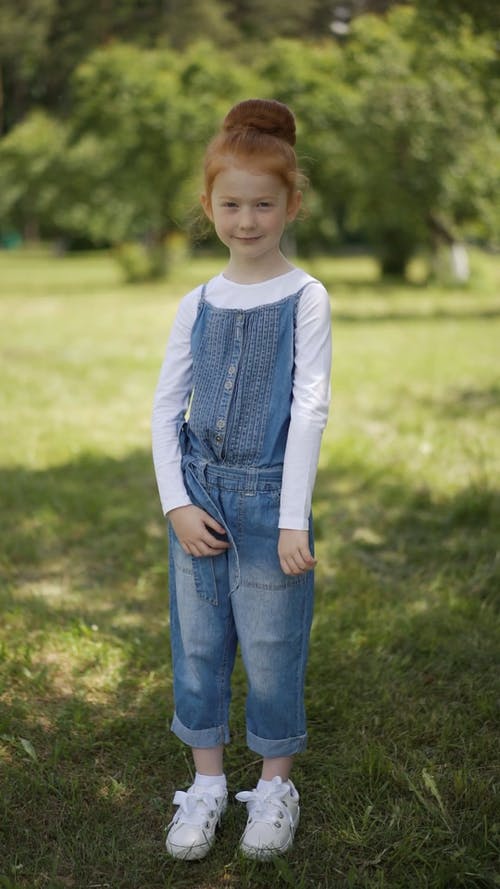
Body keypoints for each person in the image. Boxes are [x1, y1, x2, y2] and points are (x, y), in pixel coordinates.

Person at [151, 98, 332, 861]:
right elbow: (163, 409)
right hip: (201, 496)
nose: (248, 220)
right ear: (208, 206)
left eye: (264, 204)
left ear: (291, 204)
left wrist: (293, 518)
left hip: (268, 501)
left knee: (271, 642)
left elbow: (312, 409)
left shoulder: (307, 297)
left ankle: (275, 784)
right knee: (197, 645)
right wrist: (177, 503)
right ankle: (208, 783)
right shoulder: (197, 302)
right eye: (232, 204)